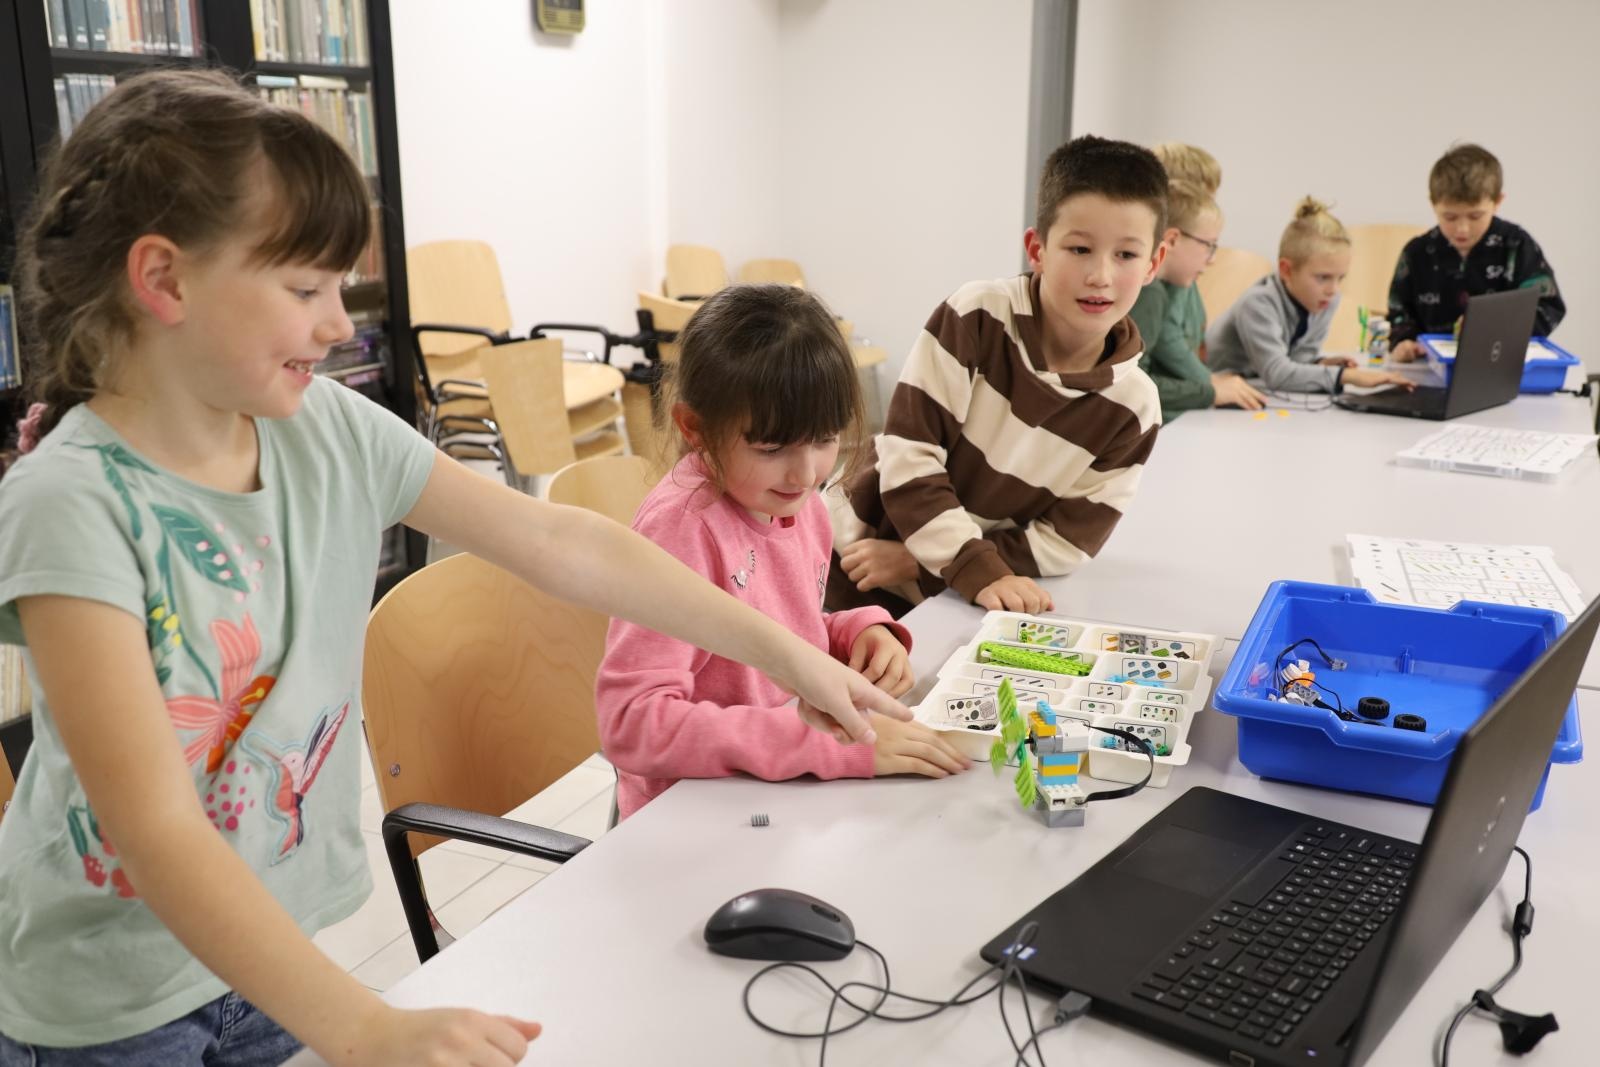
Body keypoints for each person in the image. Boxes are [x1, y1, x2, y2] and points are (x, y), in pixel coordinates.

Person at [0, 70, 908, 1067]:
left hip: (269, 952)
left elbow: (564, 541)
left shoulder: (327, 429)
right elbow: (156, 829)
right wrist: (358, 1020)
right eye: (305, 289)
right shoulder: (70, 504)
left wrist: (789, 654)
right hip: (110, 999)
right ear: (164, 279)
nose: (341, 325)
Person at [594, 285, 970, 820]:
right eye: (771, 449)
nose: (806, 473)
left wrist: (857, 631)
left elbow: (779, 623)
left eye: (824, 439)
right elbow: (632, 724)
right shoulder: (681, 531)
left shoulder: (798, 502)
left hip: (773, 795)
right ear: (694, 429)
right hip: (691, 815)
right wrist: (822, 744)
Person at [828, 135, 1168, 618]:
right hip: (855, 558)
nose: (1101, 275)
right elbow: (911, 456)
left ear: (1153, 263)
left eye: (1126, 255)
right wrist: (966, 564)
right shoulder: (977, 317)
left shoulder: (1135, 407)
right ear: (1038, 248)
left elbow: (1067, 541)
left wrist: (926, 564)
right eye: (1079, 248)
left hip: (958, 593)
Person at [1205, 198, 1415, 395]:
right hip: (1214, 396)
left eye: (1340, 278)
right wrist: (1345, 376)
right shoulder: (1258, 303)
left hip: (1254, 388)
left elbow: (1297, 360)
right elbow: (1278, 374)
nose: (1332, 289)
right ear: (1286, 270)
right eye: (1323, 277)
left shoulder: (1325, 300)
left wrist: (1321, 364)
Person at [1387, 143, 1565, 362]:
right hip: (1430, 368)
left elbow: (1548, 305)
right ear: (1433, 205)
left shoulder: (1516, 245)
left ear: (1497, 202)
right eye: (1450, 217)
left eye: (1475, 216)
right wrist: (1404, 341)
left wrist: (1495, 331)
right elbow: (1399, 311)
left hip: (1497, 365)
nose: (1462, 229)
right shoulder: (1417, 253)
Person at [1128, 178, 1265, 418]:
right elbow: (1131, 388)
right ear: (1172, 240)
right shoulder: (1149, 292)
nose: (1212, 259)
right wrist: (1209, 392)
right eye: (1208, 245)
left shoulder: (1157, 288)